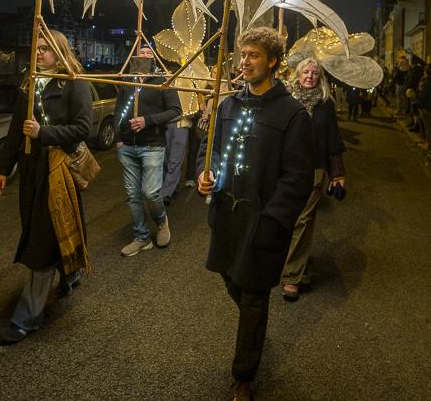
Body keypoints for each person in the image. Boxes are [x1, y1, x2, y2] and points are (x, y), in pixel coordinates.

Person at [197, 27, 314, 401]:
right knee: (233, 281)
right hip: (227, 217)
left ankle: (243, 376)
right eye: (242, 55)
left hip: (262, 223)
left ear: (273, 61)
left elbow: (297, 178)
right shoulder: (228, 106)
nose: (244, 62)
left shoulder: (293, 114)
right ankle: (255, 326)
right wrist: (205, 173)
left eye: (253, 55)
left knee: (252, 295)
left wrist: (272, 220)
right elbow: (211, 149)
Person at [0, 30, 92, 344]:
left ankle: (27, 318)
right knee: (47, 231)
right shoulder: (30, 83)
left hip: (58, 171)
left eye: (46, 48)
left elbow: (83, 128)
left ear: (60, 52)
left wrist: (43, 133)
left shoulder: (74, 83)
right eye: (36, 47)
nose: (38, 53)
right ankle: (70, 273)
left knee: (41, 242)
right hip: (31, 172)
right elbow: (15, 129)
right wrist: (4, 168)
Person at [280, 58, 345, 301]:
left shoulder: (325, 103)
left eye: (314, 73)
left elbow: (332, 138)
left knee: (302, 220)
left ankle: (291, 277)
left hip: (316, 169)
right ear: (297, 75)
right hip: (287, 169)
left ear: (320, 77)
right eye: (306, 72)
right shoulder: (286, 100)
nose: (310, 76)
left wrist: (337, 173)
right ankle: (301, 268)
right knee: (287, 219)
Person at [115, 44, 181, 256]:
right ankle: (142, 237)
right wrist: (118, 138)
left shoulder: (163, 81)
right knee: (133, 195)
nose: (144, 55)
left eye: (148, 53)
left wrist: (148, 121)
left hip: (152, 145)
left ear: (154, 59)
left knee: (151, 192)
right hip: (127, 146)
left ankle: (161, 222)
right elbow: (118, 110)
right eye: (141, 52)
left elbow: (176, 111)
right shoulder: (128, 80)